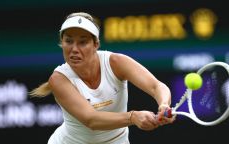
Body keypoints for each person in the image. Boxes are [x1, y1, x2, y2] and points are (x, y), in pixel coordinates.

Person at [30, 12, 175, 144]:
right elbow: (91, 120)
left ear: (96, 45)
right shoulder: (58, 79)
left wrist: (163, 104)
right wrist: (133, 117)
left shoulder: (116, 63)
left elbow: (156, 86)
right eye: (68, 41)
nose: (74, 49)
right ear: (62, 43)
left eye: (82, 42)